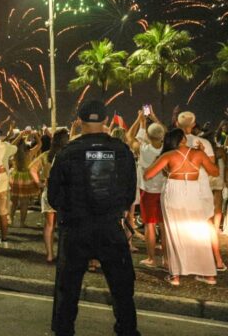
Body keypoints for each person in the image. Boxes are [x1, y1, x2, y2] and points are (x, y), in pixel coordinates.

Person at [48, 100, 139, 336]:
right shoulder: (121, 151)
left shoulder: (67, 152)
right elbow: (130, 192)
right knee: (122, 289)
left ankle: (64, 331)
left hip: (76, 228)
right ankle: (127, 330)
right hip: (110, 226)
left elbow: (53, 195)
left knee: (67, 289)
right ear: (106, 120)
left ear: (80, 121)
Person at [144, 128, 220, 285]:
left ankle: (176, 276)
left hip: (174, 192)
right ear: (183, 139)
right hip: (193, 192)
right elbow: (214, 172)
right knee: (199, 232)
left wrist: (159, 163)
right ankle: (209, 274)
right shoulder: (198, 154)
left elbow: (148, 175)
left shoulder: (168, 155)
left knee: (174, 233)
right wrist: (203, 154)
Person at [177, 112, 226, 271]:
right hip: (202, 188)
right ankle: (217, 260)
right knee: (208, 224)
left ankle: (187, 261)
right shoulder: (203, 142)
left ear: (177, 124)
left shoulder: (173, 142)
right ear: (193, 125)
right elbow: (212, 168)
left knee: (183, 225)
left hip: (182, 187)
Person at [126, 111, 168, 268]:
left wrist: (139, 119)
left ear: (148, 137)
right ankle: (166, 259)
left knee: (150, 225)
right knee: (163, 226)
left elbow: (129, 137)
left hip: (148, 191)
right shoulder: (167, 149)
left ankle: (151, 258)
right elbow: (166, 133)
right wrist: (155, 118)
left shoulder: (144, 149)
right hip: (164, 191)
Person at [29, 128, 69, 263]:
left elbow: (32, 168)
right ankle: (64, 255)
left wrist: (39, 183)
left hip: (49, 190)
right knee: (65, 226)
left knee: (49, 224)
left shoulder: (47, 155)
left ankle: (50, 255)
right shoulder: (68, 154)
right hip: (65, 192)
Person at [10, 130, 42, 228]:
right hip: (26, 177)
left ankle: (10, 221)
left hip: (15, 176)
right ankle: (22, 223)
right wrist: (35, 135)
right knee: (24, 203)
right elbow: (40, 144)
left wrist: (20, 135)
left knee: (14, 202)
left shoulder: (14, 153)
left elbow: (12, 144)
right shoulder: (29, 153)